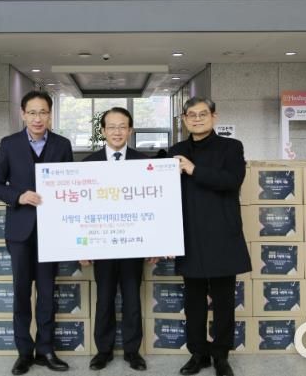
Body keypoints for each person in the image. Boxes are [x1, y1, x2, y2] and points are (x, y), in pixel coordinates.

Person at [0, 90, 73, 375]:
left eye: (43, 112)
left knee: (47, 293)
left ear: (50, 115)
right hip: (20, 231)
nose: (38, 118)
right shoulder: (9, 144)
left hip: (52, 230)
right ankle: (24, 352)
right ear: (23, 114)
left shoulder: (62, 145)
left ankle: (45, 350)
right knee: (21, 293)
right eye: (32, 112)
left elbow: (71, 183)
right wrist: (19, 196)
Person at [168, 96, 251, 376]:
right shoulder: (175, 151)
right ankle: (198, 354)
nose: (197, 119)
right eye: (191, 115)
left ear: (214, 117)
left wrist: (194, 170)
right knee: (193, 302)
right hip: (189, 236)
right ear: (184, 120)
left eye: (202, 114)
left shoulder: (231, 147)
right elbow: (163, 194)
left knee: (224, 301)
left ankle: (221, 355)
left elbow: (232, 181)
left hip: (222, 235)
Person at [82, 107, 151, 371]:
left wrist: (155, 244)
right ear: (103, 131)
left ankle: (133, 351)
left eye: (122, 126)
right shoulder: (88, 164)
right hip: (101, 243)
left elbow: (154, 205)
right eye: (111, 127)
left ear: (130, 130)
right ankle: (104, 350)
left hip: (133, 244)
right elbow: (80, 209)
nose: (117, 132)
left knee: (132, 298)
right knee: (105, 298)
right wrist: (81, 247)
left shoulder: (144, 162)